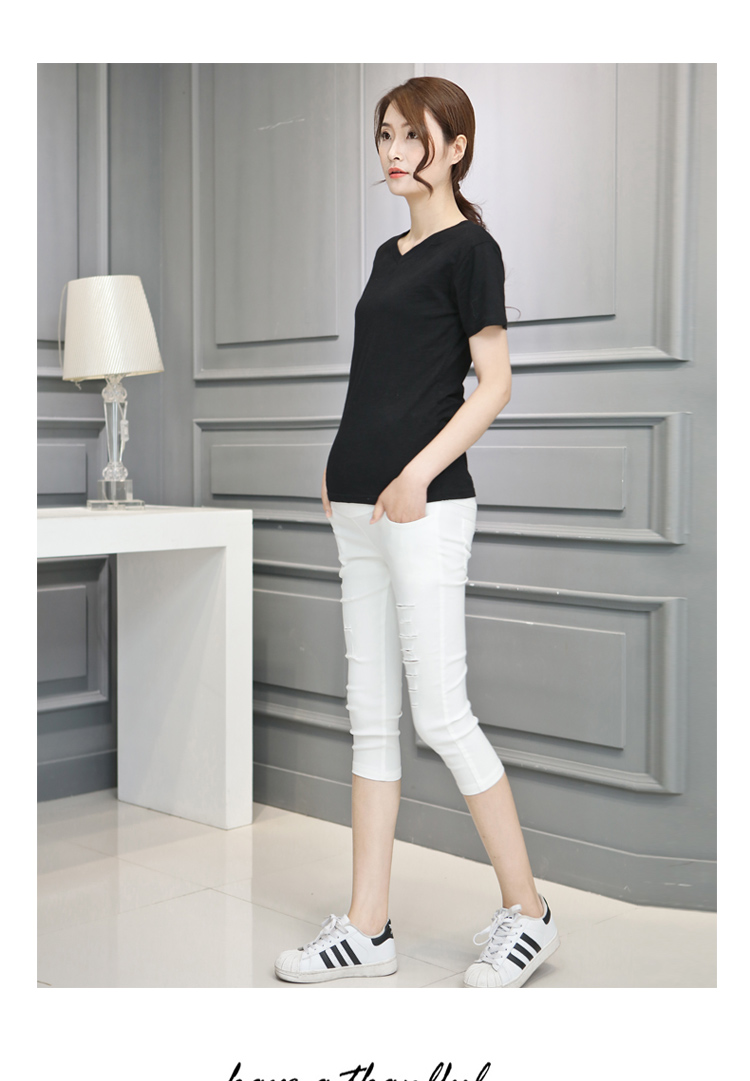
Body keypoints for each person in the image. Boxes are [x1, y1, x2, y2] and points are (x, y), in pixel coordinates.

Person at [274, 76, 560, 989]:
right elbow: (377, 376)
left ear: (457, 147)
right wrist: (340, 461)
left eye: (413, 136)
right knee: (369, 716)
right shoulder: (387, 253)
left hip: (424, 507)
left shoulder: (473, 249)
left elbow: (494, 384)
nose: (394, 152)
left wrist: (415, 475)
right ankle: (368, 927)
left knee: (440, 713)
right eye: (386, 135)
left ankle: (530, 911)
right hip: (357, 504)